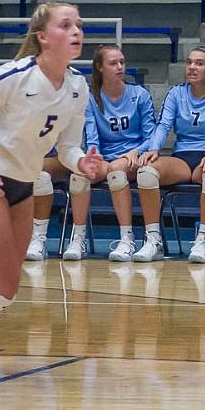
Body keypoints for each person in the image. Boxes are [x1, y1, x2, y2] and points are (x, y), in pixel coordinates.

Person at [0, 2, 105, 373]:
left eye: (80, 25)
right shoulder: (12, 76)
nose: (77, 31)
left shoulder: (76, 86)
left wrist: (81, 163)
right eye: (66, 25)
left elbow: (69, 147)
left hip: (25, 183)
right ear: (43, 37)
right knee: (2, 288)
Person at [135, 46, 205, 264]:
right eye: (189, 62)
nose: (192, 67)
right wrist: (153, 148)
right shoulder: (176, 93)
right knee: (146, 172)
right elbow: (163, 125)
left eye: (199, 63)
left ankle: (203, 241)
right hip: (183, 155)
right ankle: (153, 240)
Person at [53, 45, 156, 261]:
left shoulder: (139, 95)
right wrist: (93, 160)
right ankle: (78, 239)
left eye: (122, 62)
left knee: (117, 171)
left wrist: (135, 151)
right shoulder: (91, 98)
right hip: (106, 158)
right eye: (113, 63)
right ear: (100, 67)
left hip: (133, 158)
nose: (120, 67)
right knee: (80, 173)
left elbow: (151, 137)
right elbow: (92, 138)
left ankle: (127, 239)